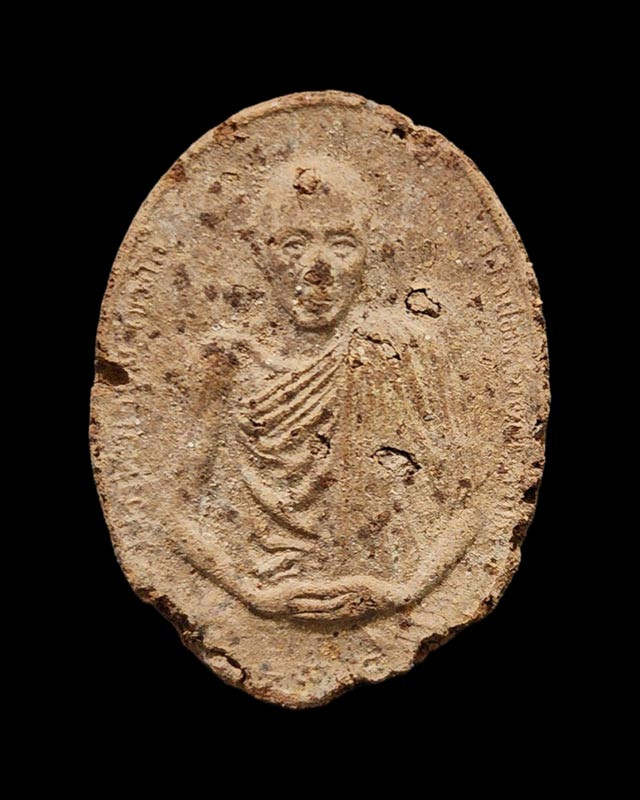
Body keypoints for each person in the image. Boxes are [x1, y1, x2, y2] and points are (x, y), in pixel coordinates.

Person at [181, 156, 472, 621]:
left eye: (342, 244)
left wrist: (404, 591)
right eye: (294, 244)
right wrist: (251, 594)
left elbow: (470, 503)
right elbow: (174, 514)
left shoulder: (404, 351)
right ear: (260, 253)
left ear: (369, 252)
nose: (318, 270)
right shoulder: (227, 362)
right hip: (265, 593)